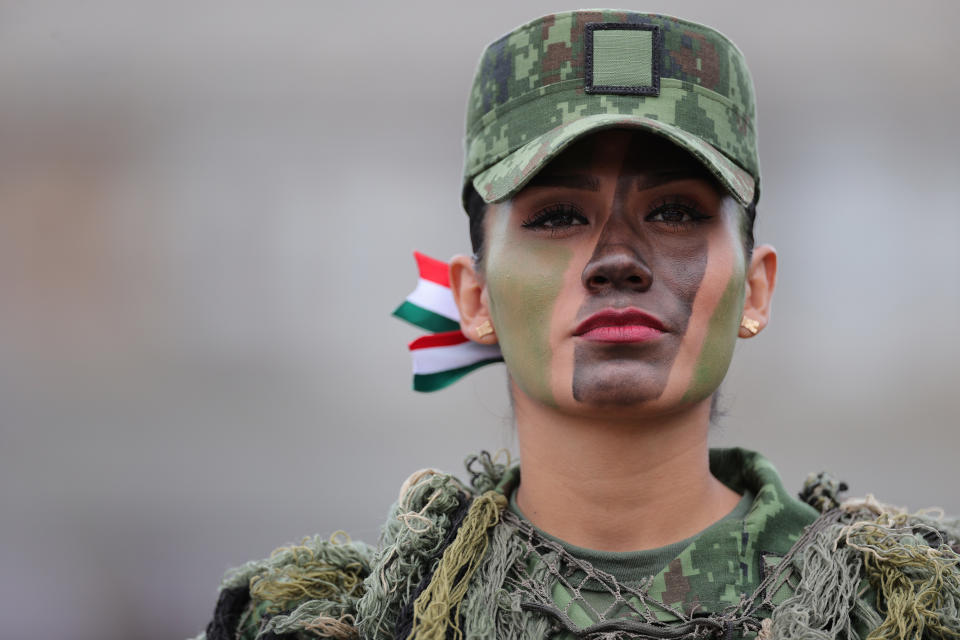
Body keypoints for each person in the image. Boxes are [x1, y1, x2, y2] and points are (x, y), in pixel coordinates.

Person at [196, 10, 960, 640]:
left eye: (675, 213)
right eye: (558, 216)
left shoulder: (903, 613)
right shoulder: (339, 622)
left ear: (756, 288)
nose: (617, 260)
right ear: (475, 298)